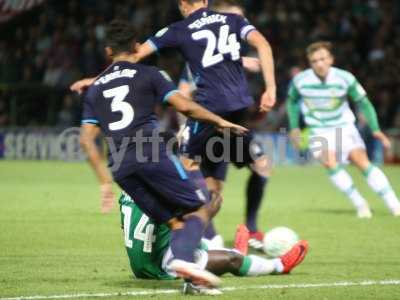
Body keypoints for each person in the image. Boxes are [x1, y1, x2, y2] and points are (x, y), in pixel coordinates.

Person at [71, 0, 276, 252]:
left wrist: (95, 80)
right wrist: (271, 87)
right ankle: (238, 232)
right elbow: (263, 44)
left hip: (209, 109)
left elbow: (131, 57)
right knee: (249, 171)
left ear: (182, 5)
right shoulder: (233, 22)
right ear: (206, 2)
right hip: (239, 109)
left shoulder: (178, 29)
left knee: (191, 167)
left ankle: (205, 240)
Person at [79, 19, 249, 287]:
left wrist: (104, 183)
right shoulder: (150, 74)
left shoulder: (96, 88)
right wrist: (219, 121)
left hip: (121, 168)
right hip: (150, 155)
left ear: (108, 52)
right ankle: (180, 261)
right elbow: (187, 107)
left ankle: (191, 281)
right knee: (199, 208)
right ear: (136, 47)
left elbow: (87, 141)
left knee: (174, 223)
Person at [176, 0, 272, 252]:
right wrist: (184, 126)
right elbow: (183, 93)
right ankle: (210, 239)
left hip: (233, 126)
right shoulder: (198, 56)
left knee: (262, 166)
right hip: (209, 128)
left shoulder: (233, 58)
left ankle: (250, 228)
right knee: (213, 190)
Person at [286, 41, 400, 218]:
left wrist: (375, 129)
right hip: (317, 130)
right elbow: (291, 101)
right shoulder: (300, 81)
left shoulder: (345, 78)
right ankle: (360, 204)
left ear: (331, 59)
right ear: (310, 63)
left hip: (344, 127)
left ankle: (394, 204)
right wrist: (294, 128)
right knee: (330, 163)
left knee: (362, 163)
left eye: (323, 59)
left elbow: (364, 102)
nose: (319, 63)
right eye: (314, 61)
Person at [119, 192, 309, 295]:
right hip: (161, 265)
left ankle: (234, 251)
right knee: (232, 260)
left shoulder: (129, 186)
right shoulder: (165, 192)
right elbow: (191, 223)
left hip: (144, 259)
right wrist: (209, 210)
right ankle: (278, 265)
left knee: (199, 243)